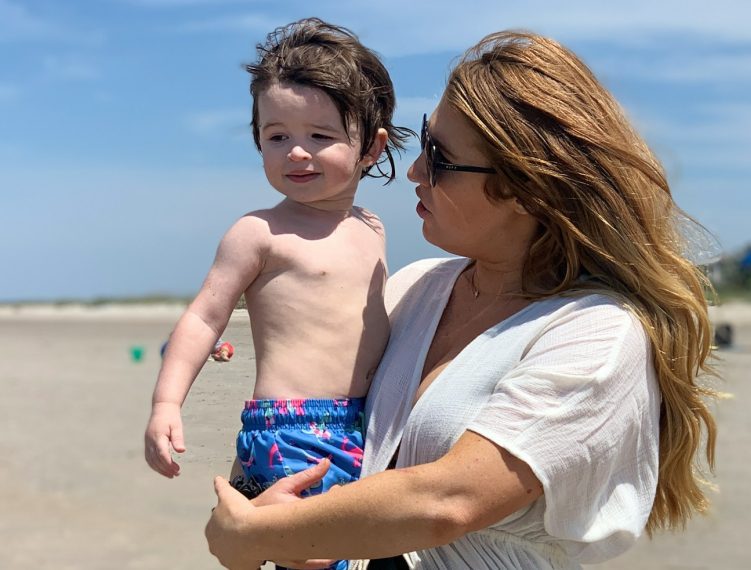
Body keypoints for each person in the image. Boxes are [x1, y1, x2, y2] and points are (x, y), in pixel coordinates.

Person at [206, 29, 719, 570]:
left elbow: (448, 502)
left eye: (440, 157)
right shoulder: (414, 288)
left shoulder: (596, 333)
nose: (414, 171)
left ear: (526, 188)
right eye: (424, 141)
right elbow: (306, 428)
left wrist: (260, 534)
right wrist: (251, 505)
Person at [145, 18, 410, 569]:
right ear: (258, 140)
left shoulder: (373, 227)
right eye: (277, 136)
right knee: (310, 555)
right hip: (290, 426)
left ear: (370, 146)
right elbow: (202, 318)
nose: (296, 152)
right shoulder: (258, 232)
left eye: (320, 135)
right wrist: (167, 403)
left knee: (364, 549)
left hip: (365, 421)